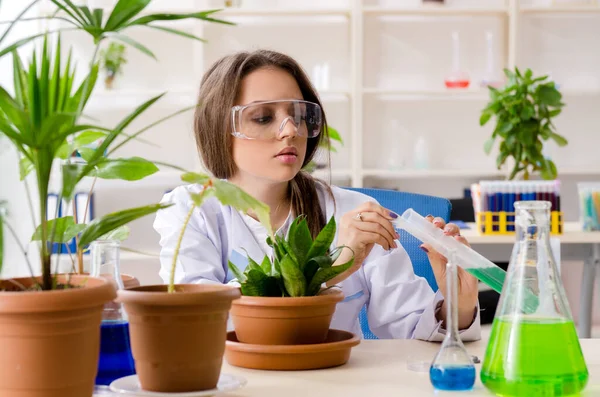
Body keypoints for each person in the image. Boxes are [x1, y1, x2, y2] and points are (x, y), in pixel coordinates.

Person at [153, 49, 481, 341]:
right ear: (219, 129)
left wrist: (456, 307)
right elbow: (196, 319)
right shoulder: (189, 210)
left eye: (298, 116)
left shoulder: (355, 211)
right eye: (264, 117)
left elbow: (409, 328)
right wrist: (331, 269)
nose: (290, 130)